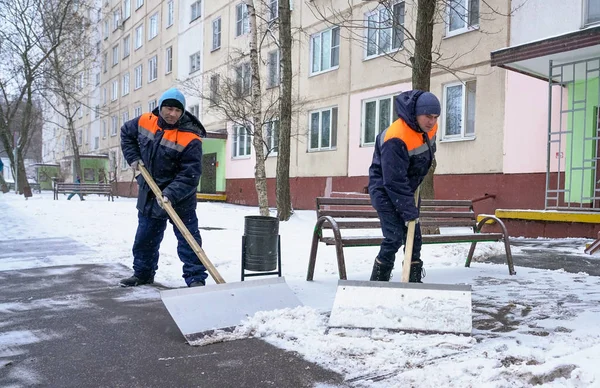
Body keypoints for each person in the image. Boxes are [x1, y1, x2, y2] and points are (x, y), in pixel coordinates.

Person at [119, 88, 208, 288]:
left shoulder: (190, 138)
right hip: (149, 192)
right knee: (145, 237)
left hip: (180, 197)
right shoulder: (145, 121)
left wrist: (170, 194)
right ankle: (142, 274)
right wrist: (133, 158)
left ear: (183, 112)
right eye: (168, 108)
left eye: (177, 111)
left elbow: (190, 174)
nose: (172, 114)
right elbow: (126, 133)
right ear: (160, 107)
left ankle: (195, 279)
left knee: (188, 240)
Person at [367, 90, 440, 283]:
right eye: (427, 116)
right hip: (385, 189)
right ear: (416, 113)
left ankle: (413, 281)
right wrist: (408, 211)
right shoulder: (396, 138)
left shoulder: (429, 129)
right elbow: (393, 180)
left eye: (435, 117)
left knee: (414, 238)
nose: (431, 122)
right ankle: (378, 282)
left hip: (408, 190)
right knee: (394, 237)